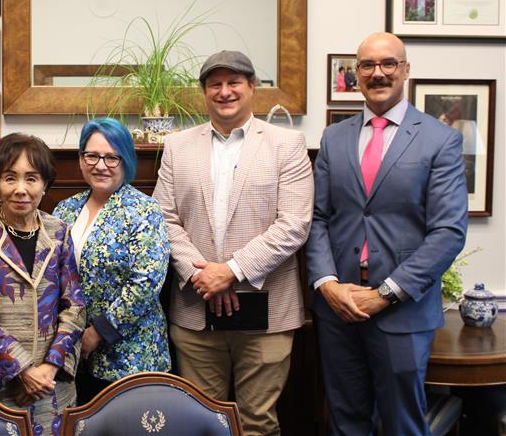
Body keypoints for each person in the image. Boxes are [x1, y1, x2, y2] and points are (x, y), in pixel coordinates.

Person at [305, 32, 468, 436]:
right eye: (367, 65)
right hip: (338, 309)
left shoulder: (440, 139)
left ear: (406, 70)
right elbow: (319, 219)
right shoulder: (334, 137)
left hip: (402, 312)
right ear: (356, 74)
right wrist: (327, 285)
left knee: (403, 425)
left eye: (388, 64)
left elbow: (448, 231)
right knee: (345, 422)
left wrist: (385, 293)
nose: (378, 73)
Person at [153, 50, 314, 435]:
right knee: (199, 422)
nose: (224, 92)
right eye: (215, 85)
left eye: (234, 83)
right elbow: (163, 219)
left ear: (251, 87)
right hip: (196, 309)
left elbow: (293, 224)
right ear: (204, 92)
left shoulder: (286, 144)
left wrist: (231, 272)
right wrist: (202, 276)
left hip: (267, 314)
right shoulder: (177, 146)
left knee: (257, 422)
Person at [0, 133, 86, 435]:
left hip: (52, 388)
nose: (21, 190)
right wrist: (23, 371)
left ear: (45, 183)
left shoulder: (59, 232)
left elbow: (75, 307)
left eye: (32, 178)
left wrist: (48, 369)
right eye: (10, 178)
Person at [53, 118, 170, 404]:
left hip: (131, 354)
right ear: (81, 159)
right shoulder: (65, 210)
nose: (100, 165)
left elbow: (146, 282)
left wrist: (98, 333)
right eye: (91, 155)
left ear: (126, 160)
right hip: (73, 351)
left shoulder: (144, 210)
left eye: (111, 157)